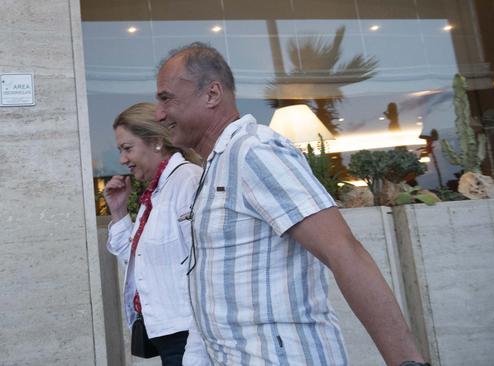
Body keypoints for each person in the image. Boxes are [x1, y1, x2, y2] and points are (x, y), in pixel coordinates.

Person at [155, 42, 430, 366]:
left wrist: (407, 363)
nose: (159, 114)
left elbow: (344, 251)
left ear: (212, 94)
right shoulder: (215, 167)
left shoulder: (254, 151)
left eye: (166, 98)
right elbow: (210, 300)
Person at [103, 102, 208, 365]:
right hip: (167, 335)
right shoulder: (156, 193)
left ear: (156, 142)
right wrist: (118, 212)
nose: (122, 159)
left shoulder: (187, 182)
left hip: (190, 337)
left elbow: (204, 265)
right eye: (120, 150)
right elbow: (141, 261)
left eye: (128, 148)